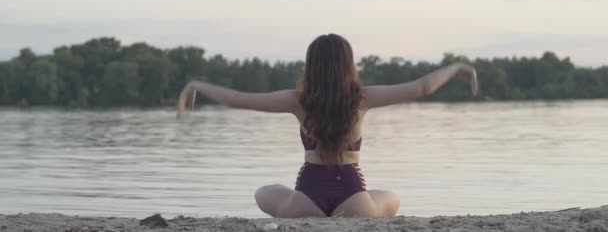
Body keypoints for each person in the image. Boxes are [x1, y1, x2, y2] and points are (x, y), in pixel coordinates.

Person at [177, 33, 478, 218]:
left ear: (311, 66)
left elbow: (236, 99)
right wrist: (457, 68)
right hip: (354, 199)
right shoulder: (362, 99)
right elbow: (422, 87)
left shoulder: (297, 100)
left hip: (305, 198)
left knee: (264, 192)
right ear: (348, 65)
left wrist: (195, 85)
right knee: (392, 197)